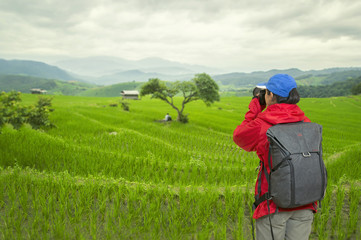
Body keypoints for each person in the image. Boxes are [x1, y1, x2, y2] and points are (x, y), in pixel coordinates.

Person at [233, 74, 316, 240]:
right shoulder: (306, 121)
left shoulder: (263, 124)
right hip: (306, 202)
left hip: (274, 205)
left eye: (266, 93)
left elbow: (240, 137)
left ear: (270, 95)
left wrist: (256, 105)